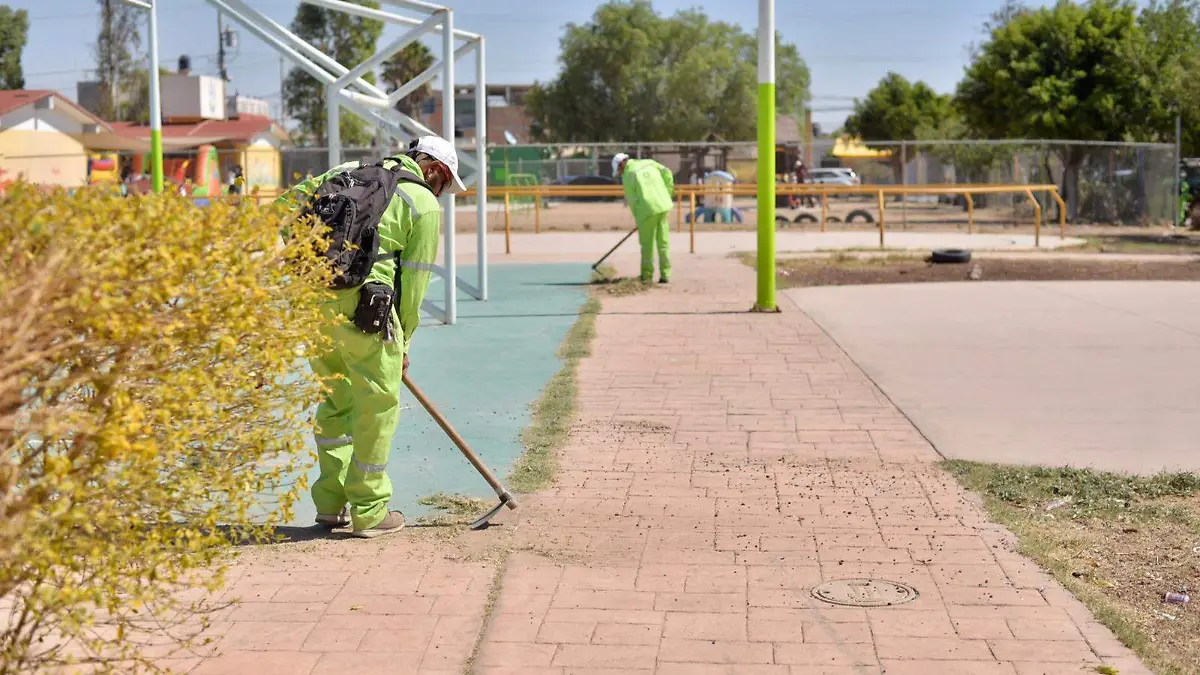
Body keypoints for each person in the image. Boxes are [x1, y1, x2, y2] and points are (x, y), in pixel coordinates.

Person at [276, 135, 465, 538]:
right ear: (433, 168)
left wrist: (308, 259)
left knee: (335, 398)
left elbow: (282, 207)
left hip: (314, 301)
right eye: (445, 181)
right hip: (368, 311)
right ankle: (370, 509)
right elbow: (413, 287)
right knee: (377, 406)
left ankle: (329, 503)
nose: (443, 190)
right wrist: (405, 343)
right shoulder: (423, 204)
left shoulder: (344, 172)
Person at [612, 152, 675, 283]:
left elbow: (633, 200)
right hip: (663, 206)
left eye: (618, 170)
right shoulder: (649, 162)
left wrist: (639, 219)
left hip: (647, 211)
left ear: (622, 164)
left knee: (647, 244)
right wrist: (666, 195)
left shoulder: (628, 174)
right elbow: (667, 173)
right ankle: (666, 274)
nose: (619, 173)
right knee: (663, 242)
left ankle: (647, 276)